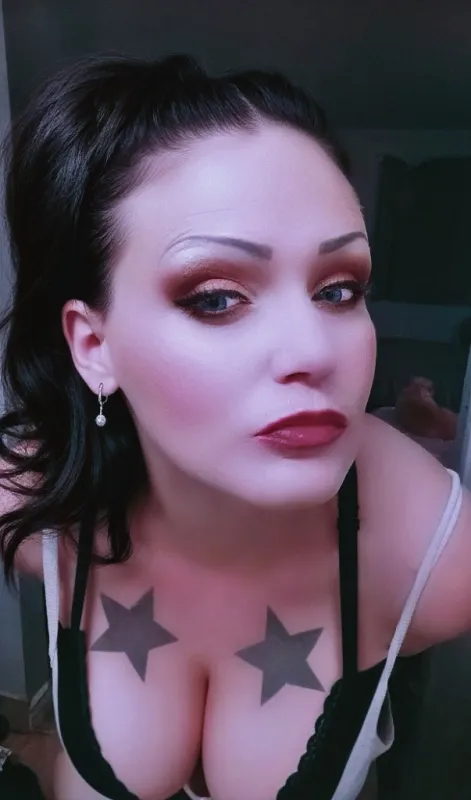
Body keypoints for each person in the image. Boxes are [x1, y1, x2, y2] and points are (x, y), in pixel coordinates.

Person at [0, 53, 470, 800]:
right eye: (216, 298)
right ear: (94, 346)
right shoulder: (27, 497)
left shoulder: (436, 560)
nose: (313, 352)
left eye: (339, 289)